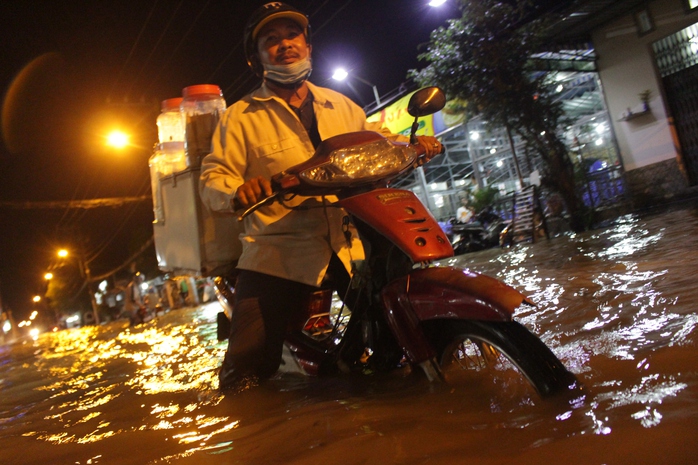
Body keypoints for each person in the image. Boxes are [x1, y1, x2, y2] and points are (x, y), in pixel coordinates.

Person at [199, 2, 443, 389]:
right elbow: (213, 177)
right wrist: (238, 191)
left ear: (308, 47)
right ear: (255, 58)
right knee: (245, 372)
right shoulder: (239, 117)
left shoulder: (343, 105)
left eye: (292, 36)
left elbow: (376, 142)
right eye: (271, 40)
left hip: (351, 241)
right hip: (280, 252)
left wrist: (415, 144)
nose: (285, 45)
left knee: (400, 321)